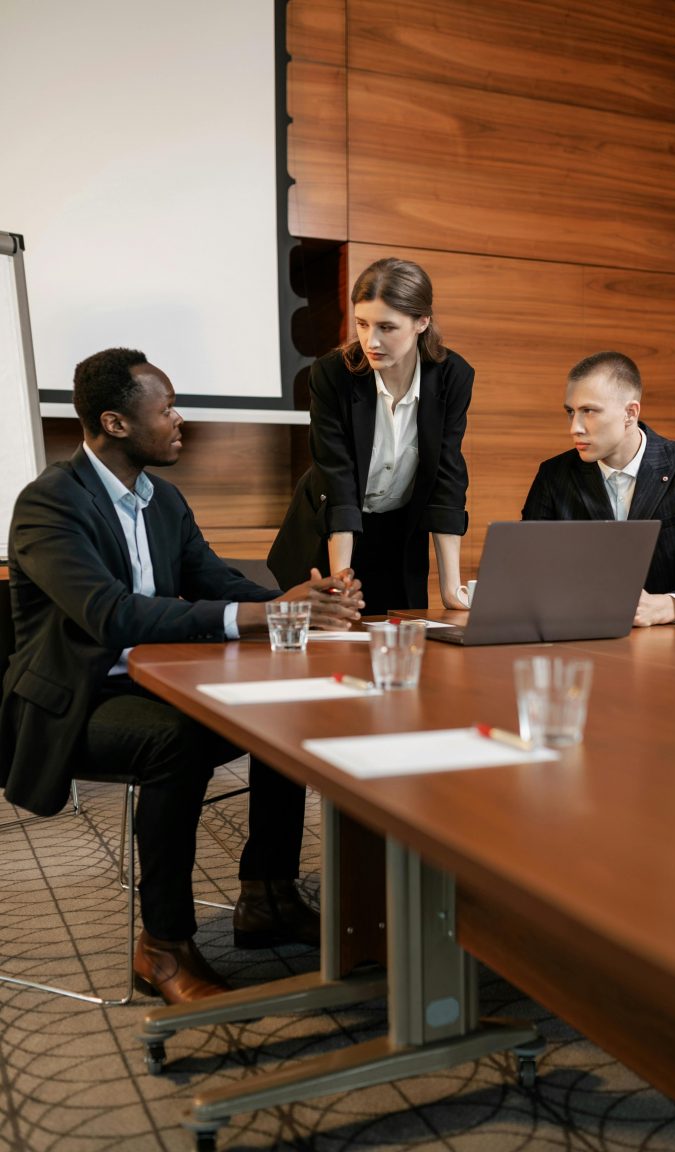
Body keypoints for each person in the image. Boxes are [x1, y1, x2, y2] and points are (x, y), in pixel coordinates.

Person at [0, 348, 364, 1004]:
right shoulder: (48, 505)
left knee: (279, 708)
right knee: (180, 739)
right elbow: (111, 615)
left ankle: (267, 896)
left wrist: (304, 603)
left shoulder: (163, 501)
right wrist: (258, 616)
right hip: (78, 702)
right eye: (165, 408)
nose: (179, 419)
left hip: (155, 684)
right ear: (114, 423)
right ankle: (162, 946)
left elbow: (218, 580)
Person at [267, 257, 474, 613]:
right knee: (327, 643)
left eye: (386, 327)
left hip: (399, 535)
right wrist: (340, 583)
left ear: (422, 322)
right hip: (328, 536)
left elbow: (447, 479)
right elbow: (338, 480)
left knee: (400, 642)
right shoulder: (332, 375)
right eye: (362, 324)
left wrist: (451, 589)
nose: (370, 340)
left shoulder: (452, 376)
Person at [521, 350, 675, 626]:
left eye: (588, 411)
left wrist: (670, 606)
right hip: (580, 642)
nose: (574, 428)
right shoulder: (553, 475)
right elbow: (528, 573)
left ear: (630, 413)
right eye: (571, 412)